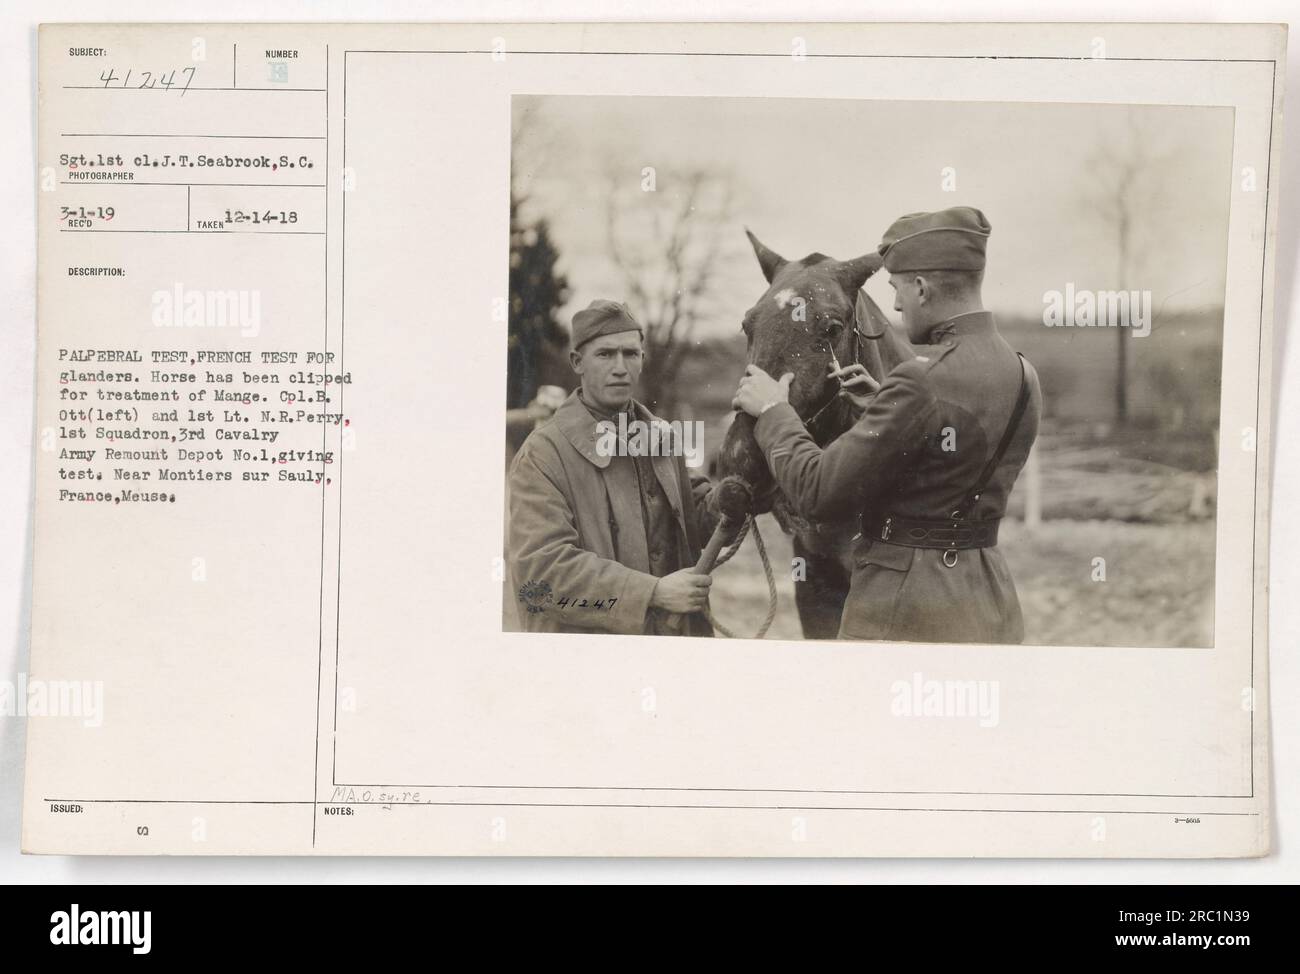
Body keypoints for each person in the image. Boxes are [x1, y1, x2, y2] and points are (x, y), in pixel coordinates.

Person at [731, 206, 1043, 643]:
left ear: (920, 287)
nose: (894, 304)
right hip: (988, 597)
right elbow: (949, 462)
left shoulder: (919, 381)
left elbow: (819, 493)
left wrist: (772, 412)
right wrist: (882, 404)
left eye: (897, 289)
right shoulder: (1022, 373)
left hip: (901, 609)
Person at [508, 299, 733, 636]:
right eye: (605, 354)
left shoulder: (661, 438)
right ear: (577, 362)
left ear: (642, 360)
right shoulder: (543, 455)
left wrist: (733, 495)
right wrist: (652, 593)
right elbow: (541, 575)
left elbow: (694, 518)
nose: (620, 367)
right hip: (590, 660)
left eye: (630, 354)